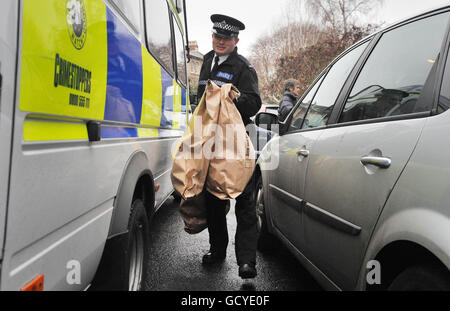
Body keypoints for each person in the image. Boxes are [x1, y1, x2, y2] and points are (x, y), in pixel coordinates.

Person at [196, 14, 262, 279]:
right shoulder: (206, 61)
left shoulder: (244, 67)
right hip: (210, 141)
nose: (220, 41)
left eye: (226, 38)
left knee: (244, 201)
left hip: (236, 143)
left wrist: (233, 96)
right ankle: (217, 250)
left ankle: (246, 262)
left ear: (236, 40)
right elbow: (199, 99)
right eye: (217, 36)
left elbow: (254, 103)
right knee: (213, 199)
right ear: (212, 37)